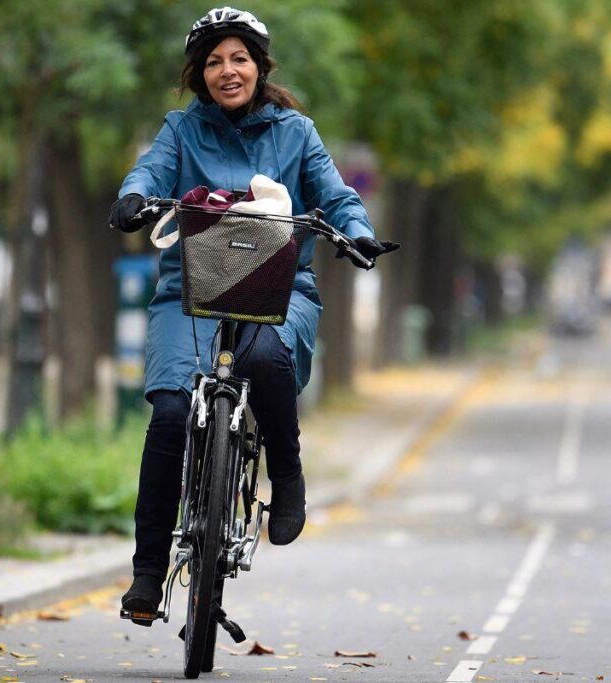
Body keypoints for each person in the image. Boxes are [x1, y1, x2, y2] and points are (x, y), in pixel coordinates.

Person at [109, 7, 397, 623]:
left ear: (259, 68)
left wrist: (357, 231)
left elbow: (336, 195)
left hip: (280, 291)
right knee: (169, 413)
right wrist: (133, 196)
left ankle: (285, 472)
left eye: (238, 58)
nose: (227, 70)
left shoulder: (297, 133)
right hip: (190, 293)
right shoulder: (181, 130)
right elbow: (150, 171)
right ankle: (148, 573)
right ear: (200, 75)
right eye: (214, 62)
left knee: (266, 357)